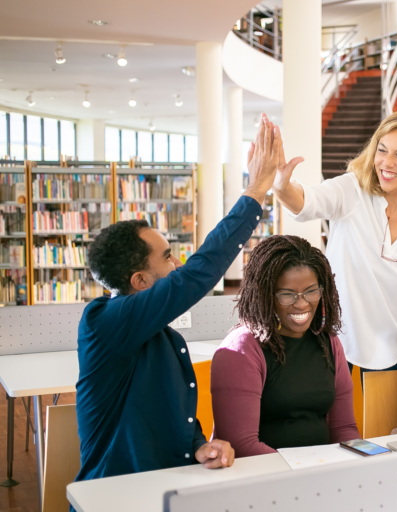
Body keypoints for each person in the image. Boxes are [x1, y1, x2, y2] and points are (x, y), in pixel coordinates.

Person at [74, 114, 281, 487]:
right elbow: (197, 274)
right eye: (167, 257)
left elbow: (169, 412)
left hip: (167, 487)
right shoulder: (103, 322)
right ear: (139, 281)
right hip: (115, 494)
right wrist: (256, 191)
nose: (178, 264)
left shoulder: (162, 335)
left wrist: (198, 446)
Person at [273, 111, 397, 374]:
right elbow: (309, 201)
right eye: (382, 150)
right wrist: (282, 187)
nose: (387, 163)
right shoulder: (352, 191)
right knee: (328, 415)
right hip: (334, 342)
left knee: (387, 417)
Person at [210, 235, 360, 456]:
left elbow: (343, 428)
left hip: (319, 472)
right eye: (287, 295)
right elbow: (241, 445)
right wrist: (304, 472)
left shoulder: (328, 342)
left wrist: (363, 459)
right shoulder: (241, 349)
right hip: (264, 478)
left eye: (311, 291)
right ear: (265, 295)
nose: (301, 304)